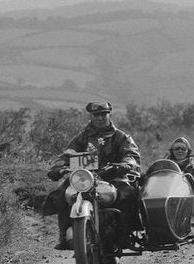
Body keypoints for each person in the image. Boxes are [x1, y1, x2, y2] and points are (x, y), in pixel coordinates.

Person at [43, 102, 141, 249]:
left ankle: (126, 234)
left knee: (128, 193)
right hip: (85, 178)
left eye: (103, 114)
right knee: (63, 193)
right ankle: (64, 235)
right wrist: (59, 166)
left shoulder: (121, 137)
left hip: (113, 177)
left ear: (109, 115)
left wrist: (126, 164)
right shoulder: (82, 137)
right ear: (91, 116)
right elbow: (69, 153)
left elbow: (131, 154)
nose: (100, 118)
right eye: (96, 115)